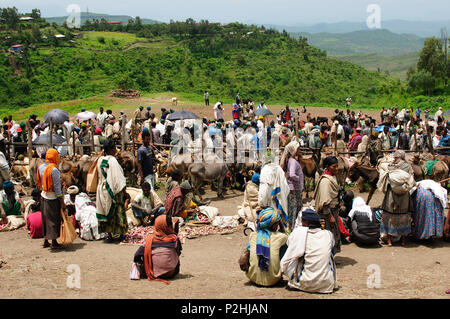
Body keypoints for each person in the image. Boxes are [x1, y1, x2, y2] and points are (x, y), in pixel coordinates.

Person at [281, 209, 338, 294]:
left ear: (307, 222)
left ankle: (300, 280)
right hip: (325, 284)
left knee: (298, 253)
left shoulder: (299, 233)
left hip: (304, 282)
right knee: (329, 254)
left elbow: (290, 247)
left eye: (303, 221)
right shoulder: (328, 234)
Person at [240, 207, 288, 287]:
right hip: (273, 279)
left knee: (251, 249)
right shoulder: (281, 237)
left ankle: (256, 272)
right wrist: (281, 224)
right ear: (276, 224)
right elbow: (286, 235)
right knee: (285, 248)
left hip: (253, 278)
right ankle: (275, 272)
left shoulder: (253, 235)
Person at [133, 214, 182, 284]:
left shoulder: (150, 240)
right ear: (169, 227)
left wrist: (145, 262)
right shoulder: (174, 239)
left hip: (152, 272)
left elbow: (137, 255)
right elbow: (178, 252)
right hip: (171, 273)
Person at [96, 139, 128, 242]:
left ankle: (109, 235)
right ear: (110, 149)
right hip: (113, 190)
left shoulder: (100, 160)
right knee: (118, 212)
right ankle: (120, 234)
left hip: (102, 189)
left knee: (105, 211)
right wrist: (123, 191)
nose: (115, 150)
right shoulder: (113, 161)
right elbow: (117, 178)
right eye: (114, 148)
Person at [380, 150, 413, 246]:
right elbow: (409, 179)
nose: (394, 158)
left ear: (397, 157)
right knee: (404, 217)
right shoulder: (408, 166)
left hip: (392, 194)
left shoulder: (391, 166)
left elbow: (387, 177)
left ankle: (389, 241)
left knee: (390, 217)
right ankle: (403, 241)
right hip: (404, 196)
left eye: (395, 157)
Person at [36, 149, 66, 249]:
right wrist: (62, 202)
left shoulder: (40, 167)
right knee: (54, 219)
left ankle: (45, 240)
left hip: (43, 195)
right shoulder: (54, 170)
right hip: (52, 198)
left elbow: (40, 182)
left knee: (45, 218)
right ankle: (54, 242)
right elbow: (57, 189)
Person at [313, 156, 341, 253]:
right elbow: (325, 201)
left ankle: (331, 256)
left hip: (334, 210)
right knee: (328, 235)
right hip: (328, 213)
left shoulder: (332, 177)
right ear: (327, 167)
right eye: (334, 166)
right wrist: (330, 216)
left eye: (337, 166)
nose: (336, 168)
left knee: (333, 234)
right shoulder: (325, 181)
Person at [280, 141, 303, 230]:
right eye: (298, 149)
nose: (299, 150)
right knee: (295, 208)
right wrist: (299, 179)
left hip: (293, 187)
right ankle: (293, 226)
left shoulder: (290, 160)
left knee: (294, 207)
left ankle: (292, 225)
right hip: (294, 188)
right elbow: (292, 174)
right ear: (294, 150)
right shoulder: (293, 161)